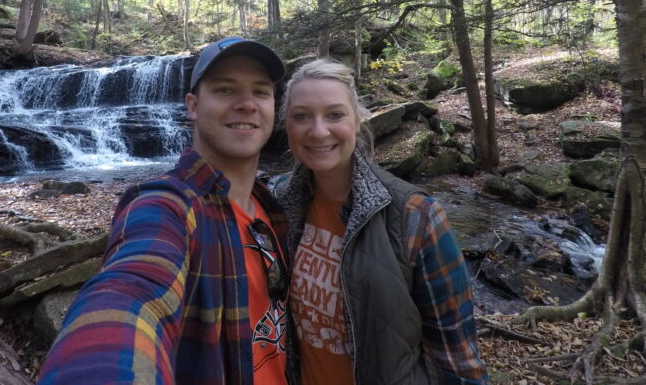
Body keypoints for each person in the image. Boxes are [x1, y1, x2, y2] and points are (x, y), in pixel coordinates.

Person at [37, 36, 290, 385]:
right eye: (226, 90)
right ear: (193, 105)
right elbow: (133, 289)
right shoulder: (165, 204)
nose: (247, 103)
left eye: (261, 91)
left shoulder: (273, 204)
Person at [275, 58, 488, 385]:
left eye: (335, 114)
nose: (318, 131)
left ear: (358, 121)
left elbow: (457, 360)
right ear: (286, 126)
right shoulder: (277, 201)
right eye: (301, 116)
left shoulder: (416, 215)